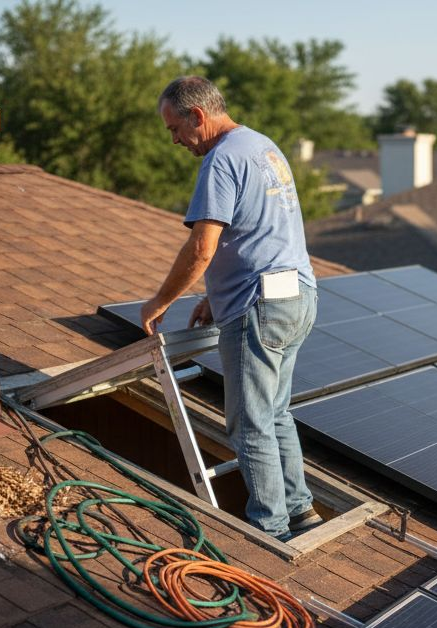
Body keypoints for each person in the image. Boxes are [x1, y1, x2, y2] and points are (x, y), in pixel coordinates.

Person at [139, 76, 320, 541]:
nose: (175, 139)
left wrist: (161, 301)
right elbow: (261, 233)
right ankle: (299, 511)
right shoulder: (263, 147)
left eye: (175, 128)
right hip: (297, 296)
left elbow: (202, 247)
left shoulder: (221, 160)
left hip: (259, 306)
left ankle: (270, 531)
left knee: (249, 423)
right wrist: (213, 296)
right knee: (276, 412)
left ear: (198, 115)